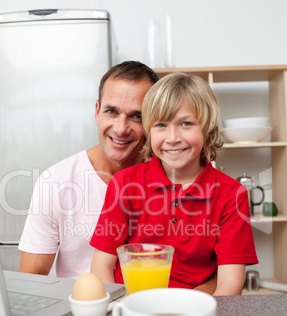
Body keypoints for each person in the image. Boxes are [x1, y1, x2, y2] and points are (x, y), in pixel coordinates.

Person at [90, 73, 258, 296]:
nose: (172, 138)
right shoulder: (124, 184)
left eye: (186, 124)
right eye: (161, 125)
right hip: (130, 305)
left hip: (193, 310)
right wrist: (117, 310)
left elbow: (229, 284)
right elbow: (102, 266)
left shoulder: (231, 194)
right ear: (149, 131)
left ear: (207, 128)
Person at [18, 61, 159, 278]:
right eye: (111, 111)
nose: (121, 129)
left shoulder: (173, 177)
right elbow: (32, 277)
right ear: (97, 112)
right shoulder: (55, 181)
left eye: (136, 116)